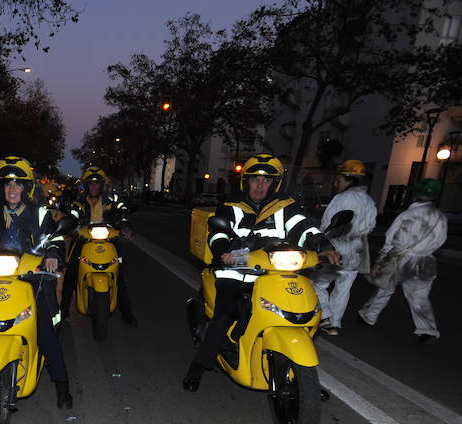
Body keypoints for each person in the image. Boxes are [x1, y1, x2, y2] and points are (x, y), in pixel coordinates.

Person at [183, 153, 340, 392]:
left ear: (274, 184)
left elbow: (303, 226)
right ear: (246, 181)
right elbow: (217, 232)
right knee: (223, 316)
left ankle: (302, 375)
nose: (260, 184)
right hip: (235, 272)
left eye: (266, 180)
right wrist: (223, 251)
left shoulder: (284, 208)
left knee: (301, 311)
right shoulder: (231, 206)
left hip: (274, 274)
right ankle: (198, 367)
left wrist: (324, 245)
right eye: (255, 179)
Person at [0, 156, 74, 409]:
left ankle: (62, 386)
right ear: (1, 188)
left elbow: (55, 240)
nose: (12, 189)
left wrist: (51, 254)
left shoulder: (39, 214)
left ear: (27, 188)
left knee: (45, 334)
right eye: (7, 184)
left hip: (33, 281)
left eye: (17, 184)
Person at [357, 178, 447, 343]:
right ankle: (428, 330)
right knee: (419, 298)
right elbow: (442, 240)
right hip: (426, 260)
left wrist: (380, 260)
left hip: (401, 259)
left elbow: (390, 239)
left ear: (415, 195)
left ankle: (368, 316)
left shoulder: (407, 215)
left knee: (384, 289)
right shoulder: (441, 217)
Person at [60, 166, 137, 325]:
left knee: (120, 274)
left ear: (102, 185)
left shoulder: (112, 201)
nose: (93, 187)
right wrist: (72, 224)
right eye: (90, 184)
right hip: (84, 240)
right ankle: (63, 311)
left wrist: (124, 224)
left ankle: (127, 313)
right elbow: (73, 214)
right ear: (86, 186)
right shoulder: (79, 202)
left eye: (96, 184)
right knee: (71, 274)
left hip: (109, 240)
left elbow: (122, 211)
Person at [312, 160, 378, 335]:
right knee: (343, 287)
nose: (335, 183)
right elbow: (371, 226)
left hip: (335, 247)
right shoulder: (369, 201)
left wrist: (316, 240)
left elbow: (327, 224)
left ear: (350, 180)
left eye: (339, 180)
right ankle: (334, 324)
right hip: (356, 249)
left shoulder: (342, 198)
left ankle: (325, 316)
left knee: (316, 283)